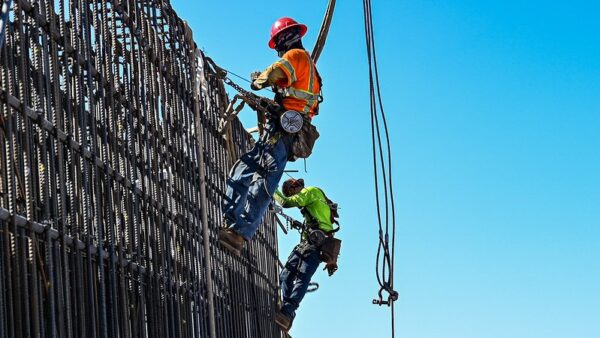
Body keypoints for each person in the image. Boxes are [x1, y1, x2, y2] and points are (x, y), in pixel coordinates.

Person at [219, 17, 322, 256]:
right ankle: (238, 230)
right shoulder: (311, 68)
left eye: (277, 44)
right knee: (263, 175)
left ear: (284, 39)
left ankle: (235, 227)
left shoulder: (295, 57)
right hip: (291, 130)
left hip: (283, 130)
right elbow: (292, 93)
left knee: (250, 171)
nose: (278, 50)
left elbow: (275, 73)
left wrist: (258, 81)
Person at [273, 178, 339, 331]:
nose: (292, 196)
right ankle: (287, 312)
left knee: (303, 277)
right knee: (285, 276)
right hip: (307, 243)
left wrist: (272, 188)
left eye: (290, 192)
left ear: (295, 186)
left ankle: (287, 312)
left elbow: (285, 203)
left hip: (316, 245)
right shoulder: (312, 203)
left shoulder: (309, 191)